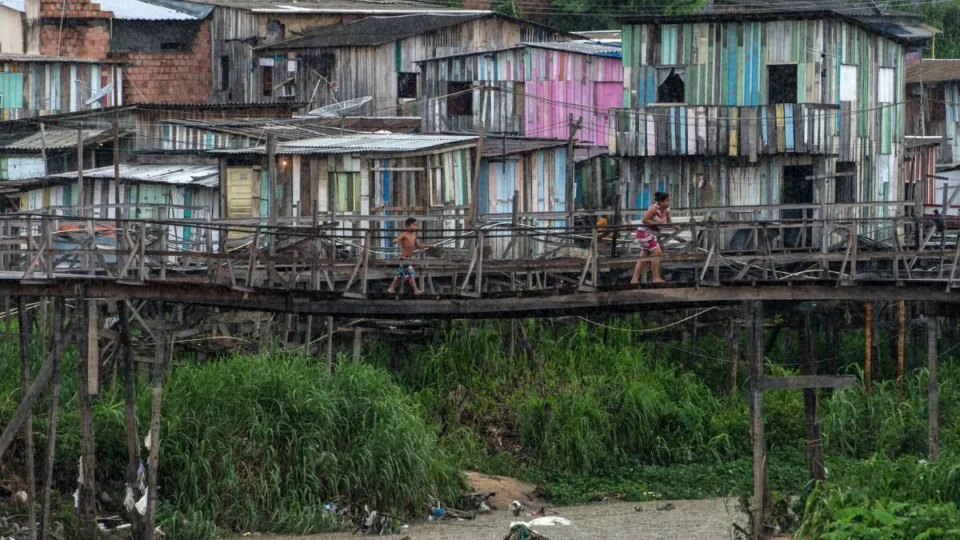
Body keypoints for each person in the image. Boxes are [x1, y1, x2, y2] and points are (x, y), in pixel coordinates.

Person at [631, 191, 674, 284]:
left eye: (669, 201)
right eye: (667, 201)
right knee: (657, 252)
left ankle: (634, 280)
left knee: (643, 257)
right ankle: (655, 278)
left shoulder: (667, 210)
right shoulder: (654, 209)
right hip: (644, 232)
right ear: (661, 202)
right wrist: (656, 223)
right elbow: (644, 220)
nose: (669, 203)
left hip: (651, 234)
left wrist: (674, 226)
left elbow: (669, 221)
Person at [387, 217, 436, 295]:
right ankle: (416, 290)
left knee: (399, 274)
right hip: (404, 258)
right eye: (414, 225)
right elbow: (397, 239)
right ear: (408, 226)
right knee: (410, 274)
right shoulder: (404, 234)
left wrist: (429, 246)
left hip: (408, 258)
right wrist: (395, 241)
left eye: (416, 225)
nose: (416, 227)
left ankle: (391, 289)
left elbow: (419, 245)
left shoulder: (414, 236)